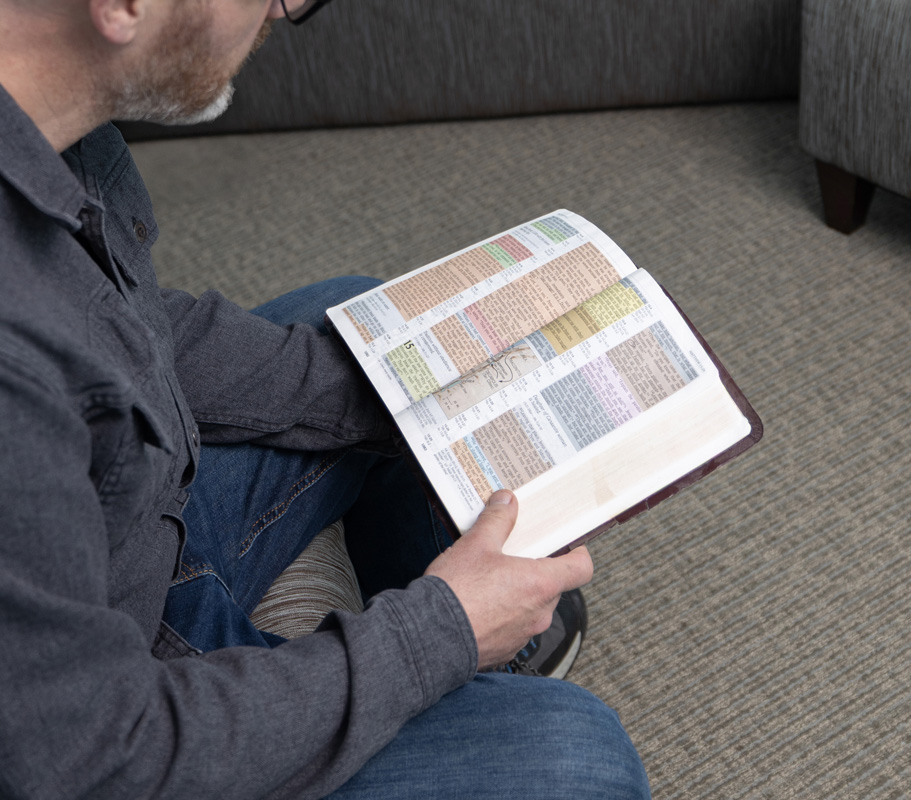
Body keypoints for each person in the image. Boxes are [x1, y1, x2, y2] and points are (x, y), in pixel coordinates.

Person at [0, 0, 652, 797]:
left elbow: (123, 326)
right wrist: (434, 636)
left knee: (357, 337)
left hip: (119, 530)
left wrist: (411, 400)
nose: (283, 14)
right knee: (577, 759)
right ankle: (459, 656)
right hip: (116, 703)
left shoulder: (44, 119)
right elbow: (96, 763)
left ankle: (479, 640)